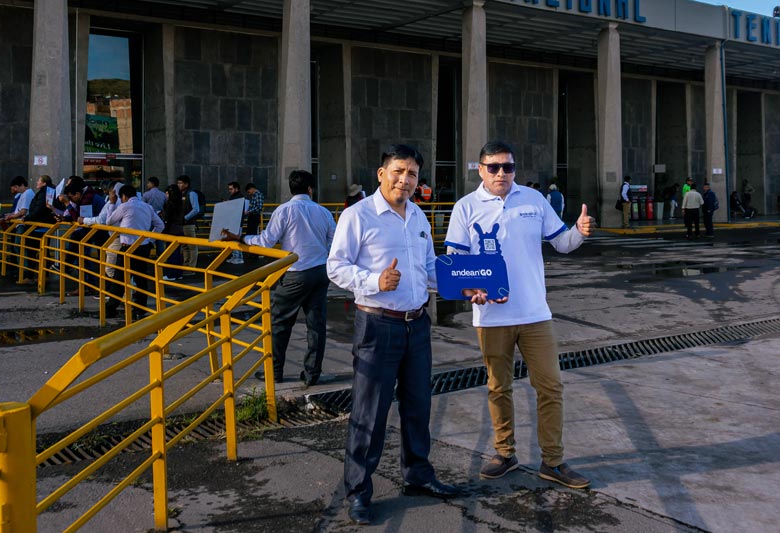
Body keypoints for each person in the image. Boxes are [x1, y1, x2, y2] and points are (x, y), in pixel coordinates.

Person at [445, 140, 593, 491]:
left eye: (507, 167)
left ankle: (553, 461)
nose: (501, 173)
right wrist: (470, 289)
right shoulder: (466, 208)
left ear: (515, 170)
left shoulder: (533, 200)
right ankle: (505, 453)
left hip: (535, 314)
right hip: (491, 316)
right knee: (499, 387)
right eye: (493, 167)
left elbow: (562, 242)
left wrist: (580, 232)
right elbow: (455, 263)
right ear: (479, 169)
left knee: (551, 386)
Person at [327, 144, 460, 525]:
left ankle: (417, 474)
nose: (406, 179)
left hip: (417, 324)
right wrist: (374, 280)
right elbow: (335, 267)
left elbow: (430, 268)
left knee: (418, 405)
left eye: (413, 174)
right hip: (378, 325)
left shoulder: (418, 216)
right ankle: (358, 490)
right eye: (399, 171)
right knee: (370, 412)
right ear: (381, 173)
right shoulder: (358, 216)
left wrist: (463, 288)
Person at [222, 170, 336, 386]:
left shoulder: (284, 211)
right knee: (316, 326)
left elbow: (266, 241)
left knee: (280, 323)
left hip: (294, 272)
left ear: (291, 189)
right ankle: (312, 374)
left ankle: (274, 372)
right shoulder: (323, 212)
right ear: (310, 189)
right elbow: (334, 241)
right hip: (320, 272)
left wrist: (241, 238)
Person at [104, 184, 164, 320]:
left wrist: (112, 204)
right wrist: (150, 239)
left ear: (124, 196)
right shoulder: (147, 207)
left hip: (127, 246)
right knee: (141, 278)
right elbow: (160, 225)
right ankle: (140, 307)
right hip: (143, 246)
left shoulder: (124, 206)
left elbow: (109, 221)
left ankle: (110, 308)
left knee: (119, 279)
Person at [160, 184, 185, 280]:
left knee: (171, 253)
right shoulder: (180, 203)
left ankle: (171, 274)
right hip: (179, 229)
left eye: (167, 193)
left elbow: (167, 218)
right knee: (177, 253)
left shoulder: (169, 204)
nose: (166, 195)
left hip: (171, 229)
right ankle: (178, 273)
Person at [177, 175, 202, 270]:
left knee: (192, 246)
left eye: (181, 183)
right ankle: (186, 265)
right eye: (178, 183)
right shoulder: (182, 194)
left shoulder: (191, 194)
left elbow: (196, 209)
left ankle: (192, 267)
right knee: (184, 246)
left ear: (186, 184)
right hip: (183, 223)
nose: (179, 185)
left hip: (189, 223)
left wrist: (185, 217)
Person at [225, 181, 248, 265]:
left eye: (231, 189)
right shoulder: (236, 197)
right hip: (235, 221)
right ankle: (235, 256)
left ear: (236, 189)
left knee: (236, 240)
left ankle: (238, 257)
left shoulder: (238, 198)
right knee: (234, 240)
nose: (230, 191)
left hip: (236, 222)